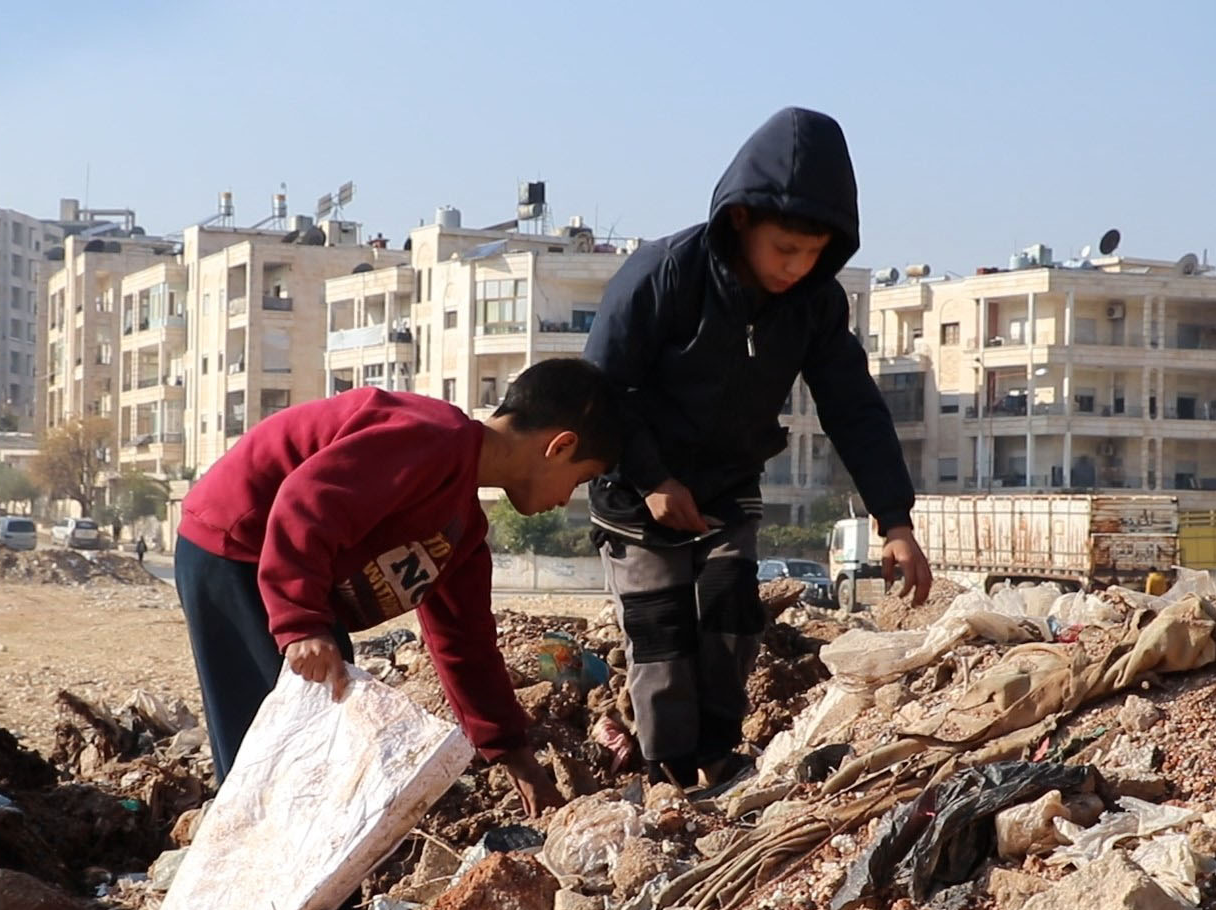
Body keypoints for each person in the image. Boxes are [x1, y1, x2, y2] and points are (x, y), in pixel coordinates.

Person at [584, 106, 934, 789]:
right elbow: (600, 391)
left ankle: (716, 758)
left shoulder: (815, 304)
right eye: (784, 250)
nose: (796, 268)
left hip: (725, 483)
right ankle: (665, 775)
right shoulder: (661, 275)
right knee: (660, 631)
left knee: (728, 614)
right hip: (635, 485)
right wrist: (652, 477)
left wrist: (894, 519)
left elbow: (853, 408)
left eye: (812, 254)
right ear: (741, 219)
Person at [173, 357, 623, 816]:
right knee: (275, 753)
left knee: (321, 747)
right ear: (561, 447)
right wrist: (302, 624)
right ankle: (253, 876)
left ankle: (316, 882)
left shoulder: (461, 530)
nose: (566, 499)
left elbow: (464, 645)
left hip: (294, 582)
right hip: (238, 550)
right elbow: (307, 502)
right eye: (581, 480)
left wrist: (518, 759)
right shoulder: (429, 436)